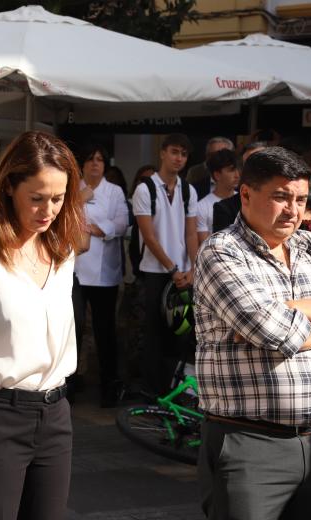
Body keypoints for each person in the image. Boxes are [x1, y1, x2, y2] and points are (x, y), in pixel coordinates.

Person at [195, 147, 311, 520]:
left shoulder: (309, 244)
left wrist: (290, 311)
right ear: (245, 194)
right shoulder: (222, 251)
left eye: (300, 199)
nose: (293, 210)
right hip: (250, 445)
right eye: (280, 197)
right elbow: (271, 331)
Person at [0, 131, 86, 520]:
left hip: (56, 414)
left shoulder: (63, 255)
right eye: (37, 197)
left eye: (58, 199)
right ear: (9, 187)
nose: (49, 210)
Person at [131, 133, 198, 394]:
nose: (178, 158)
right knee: (154, 334)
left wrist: (193, 268)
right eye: (174, 152)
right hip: (156, 272)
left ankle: (174, 391)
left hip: (183, 273)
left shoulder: (187, 189)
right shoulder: (145, 188)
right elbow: (148, 236)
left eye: (183, 153)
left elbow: (191, 233)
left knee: (180, 334)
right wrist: (172, 268)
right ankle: (152, 393)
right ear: (162, 153)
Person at [72, 144, 129, 407]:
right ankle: (69, 383)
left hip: (105, 272)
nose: (95, 164)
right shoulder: (73, 189)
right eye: (90, 159)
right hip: (74, 270)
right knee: (74, 326)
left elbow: (121, 223)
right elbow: (64, 218)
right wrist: (81, 198)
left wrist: (96, 228)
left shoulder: (115, 191)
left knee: (105, 330)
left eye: (100, 159)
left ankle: (109, 385)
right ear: (82, 164)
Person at [196, 148, 239, 244]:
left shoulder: (245, 200)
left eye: (237, 169)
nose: (237, 175)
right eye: (231, 170)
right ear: (217, 175)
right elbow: (206, 245)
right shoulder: (202, 207)